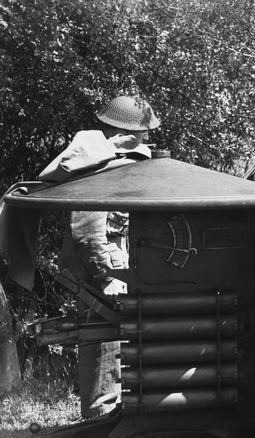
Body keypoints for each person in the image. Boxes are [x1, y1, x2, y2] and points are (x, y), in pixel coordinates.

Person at [42, 95, 160, 418]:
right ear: (126, 132)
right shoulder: (101, 168)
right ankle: (99, 422)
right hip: (102, 284)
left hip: (117, 277)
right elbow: (90, 229)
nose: (148, 138)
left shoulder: (117, 165)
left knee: (119, 360)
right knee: (104, 357)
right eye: (143, 132)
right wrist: (109, 278)